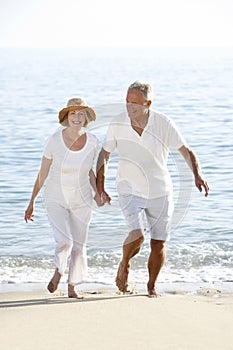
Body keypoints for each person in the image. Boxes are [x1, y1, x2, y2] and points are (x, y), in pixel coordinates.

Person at [96, 81, 209, 297]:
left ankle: (151, 286)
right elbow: (105, 153)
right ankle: (124, 264)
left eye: (135, 104)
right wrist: (100, 185)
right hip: (129, 189)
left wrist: (197, 174)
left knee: (158, 243)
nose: (130, 107)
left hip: (160, 191)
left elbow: (185, 150)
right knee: (137, 235)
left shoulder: (163, 122)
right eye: (127, 102)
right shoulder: (118, 122)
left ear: (148, 103)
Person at [25, 98, 102, 298]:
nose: (76, 117)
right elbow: (42, 173)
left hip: (82, 199)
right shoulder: (53, 141)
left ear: (86, 118)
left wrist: (98, 193)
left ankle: (72, 287)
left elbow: (90, 172)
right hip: (55, 198)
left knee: (79, 244)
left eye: (80, 113)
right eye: (72, 113)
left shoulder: (93, 141)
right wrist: (31, 202)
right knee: (65, 242)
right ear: (66, 118)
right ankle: (59, 271)